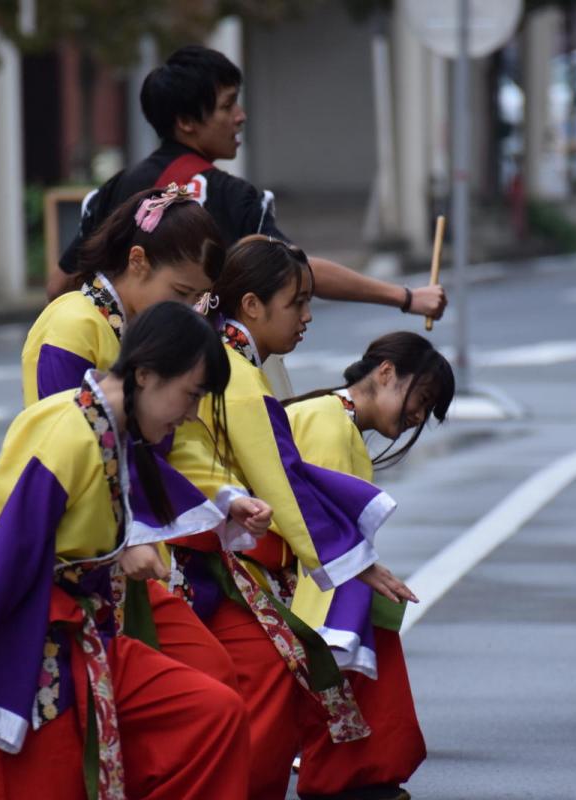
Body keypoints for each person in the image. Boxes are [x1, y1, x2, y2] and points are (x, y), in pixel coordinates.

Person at [0, 303, 253, 800]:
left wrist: (225, 505)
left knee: (213, 715)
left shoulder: (108, 427)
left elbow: (141, 494)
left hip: (79, 641)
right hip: (25, 639)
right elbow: (5, 560)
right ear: (145, 374)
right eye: (190, 396)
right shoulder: (69, 434)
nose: (191, 414)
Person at [167, 236, 417, 799]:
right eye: (297, 303)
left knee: (269, 674)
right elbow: (283, 480)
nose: (307, 317)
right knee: (267, 678)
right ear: (251, 305)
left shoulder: (229, 362)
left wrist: (356, 559)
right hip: (184, 562)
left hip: (208, 556)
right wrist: (355, 561)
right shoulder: (237, 374)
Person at [46, 45, 447, 329]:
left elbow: (59, 286)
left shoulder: (114, 192)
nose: (240, 116)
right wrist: (406, 297)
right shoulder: (233, 198)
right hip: (200, 380)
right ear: (187, 121)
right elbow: (299, 272)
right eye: (227, 105)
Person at [284, 332, 454, 800]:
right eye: (421, 399)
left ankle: (357, 774)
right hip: (281, 571)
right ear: (385, 373)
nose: (419, 415)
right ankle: (353, 777)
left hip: (298, 566)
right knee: (364, 634)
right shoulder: (329, 423)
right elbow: (316, 525)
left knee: (373, 622)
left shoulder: (331, 417)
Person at [23, 183, 224, 406]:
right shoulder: (72, 325)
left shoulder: (143, 326)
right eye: (181, 291)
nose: (189, 308)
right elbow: (67, 429)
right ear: (137, 260)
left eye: (199, 297)